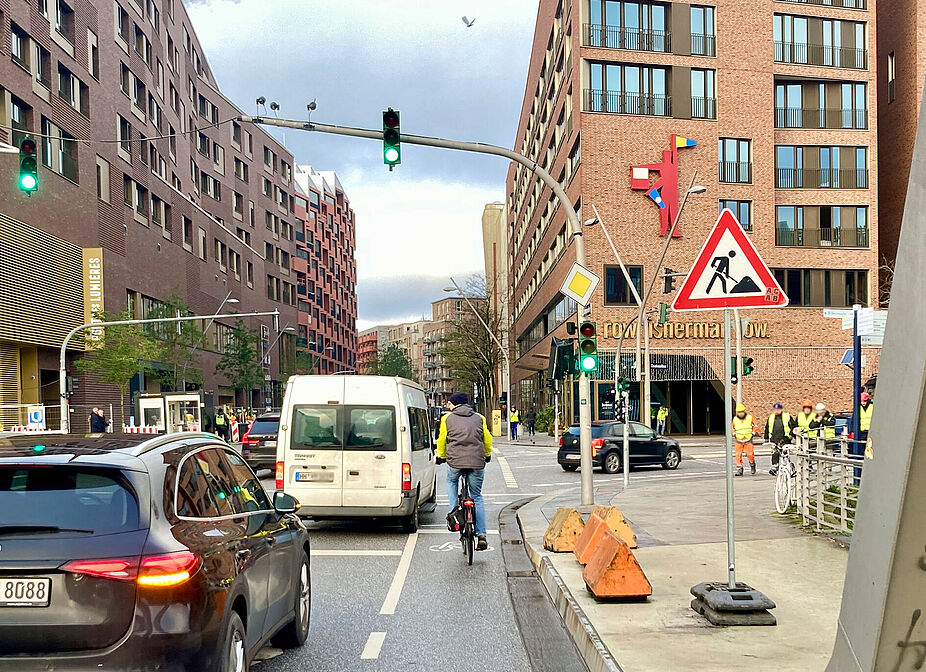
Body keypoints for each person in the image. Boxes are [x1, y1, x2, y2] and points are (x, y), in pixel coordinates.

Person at [435, 392, 493, 551]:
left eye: (450, 403)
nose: (448, 406)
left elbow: (442, 439)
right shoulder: (479, 418)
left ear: (455, 404)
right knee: (477, 496)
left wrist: (441, 456)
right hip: (476, 462)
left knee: (451, 481)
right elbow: (487, 439)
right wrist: (487, 454)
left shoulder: (447, 419)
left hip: (455, 461)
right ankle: (482, 536)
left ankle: (454, 511)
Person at [765, 403, 796, 476]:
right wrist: (766, 438)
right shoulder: (771, 417)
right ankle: (775, 467)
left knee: (785, 454)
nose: (776, 411)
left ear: (781, 409)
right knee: (775, 453)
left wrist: (791, 435)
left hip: (785, 439)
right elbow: (767, 427)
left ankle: (789, 468)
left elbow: (793, 426)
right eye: (775, 409)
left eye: (778, 409)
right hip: (774, 439)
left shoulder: (787, 416)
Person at [732, 403, 757, 476]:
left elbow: (755, 425)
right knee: (738, 455)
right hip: (738, 439)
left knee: (750, 454)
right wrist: (734, 433)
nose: (741, 414)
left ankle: (752, 464)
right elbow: (732, 427)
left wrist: (753, 433)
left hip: (748, 439)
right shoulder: (735, 419)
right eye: (739, 412)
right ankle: (739, 469)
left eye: (742, 412)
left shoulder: (750, 417)